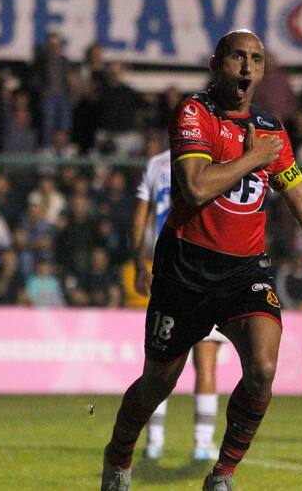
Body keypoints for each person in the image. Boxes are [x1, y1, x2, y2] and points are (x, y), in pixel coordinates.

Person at [100, 30, 302, 491]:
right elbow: (195, 187)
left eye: (256, 59)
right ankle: (118, 456)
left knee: (263, 368)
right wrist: (255, 156)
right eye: (238, 57)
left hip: (245, 271)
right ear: (217, 63)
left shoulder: (273, 128)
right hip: (186, 269)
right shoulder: (194, 114)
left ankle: (223, 474)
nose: (246, 67)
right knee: (158, 382)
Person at [131, 147, 225, 462]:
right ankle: (201, 443)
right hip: (206, 269)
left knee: (161, 361)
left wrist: (139, 264)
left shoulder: (156, 163)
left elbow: (140, 220)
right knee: (206, 361)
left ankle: (154, 441)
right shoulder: (215, 161)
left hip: (167, 269)